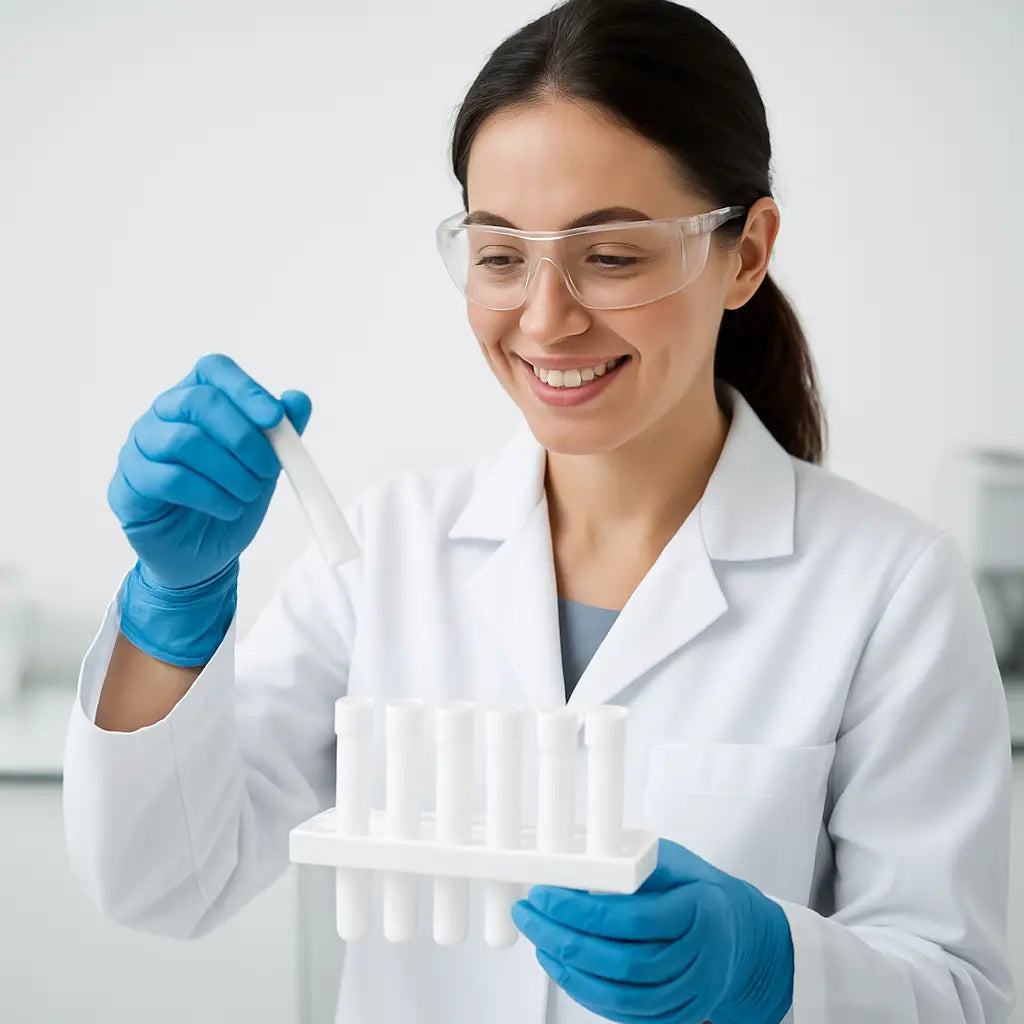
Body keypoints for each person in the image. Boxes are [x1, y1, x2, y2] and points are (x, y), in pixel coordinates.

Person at [62, 1, 1014, 1022]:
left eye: (611, 256)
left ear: (744, 253)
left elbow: (960, 994)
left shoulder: (888, 588)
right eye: (500, 255)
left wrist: (773, 969)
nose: (547, 318)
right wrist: (174, 604)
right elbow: (164, 881)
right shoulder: (387, 554)